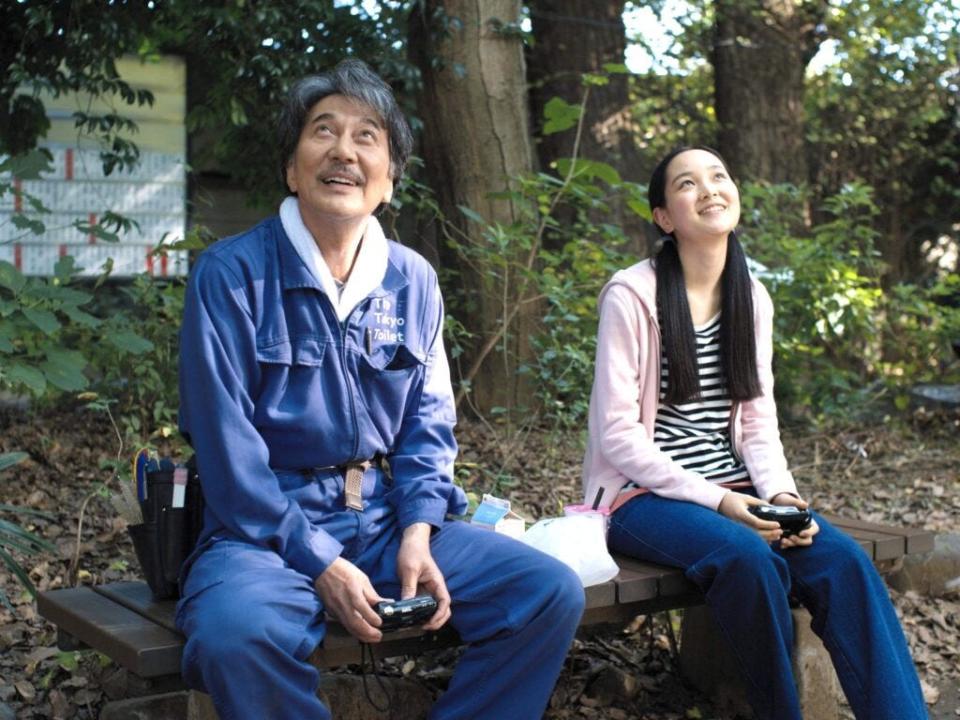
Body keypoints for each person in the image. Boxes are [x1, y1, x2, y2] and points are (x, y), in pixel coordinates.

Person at [176, 59, 584, 720]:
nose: (343, 150)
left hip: (384, 518)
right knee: (234, 636)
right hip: (263, 533)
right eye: (323, 131)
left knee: (547, 592)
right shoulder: (231, 275)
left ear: (390, 179)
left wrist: (419, 531)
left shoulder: (412, 280)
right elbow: (227, 457)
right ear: (291, 167)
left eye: (368, 136)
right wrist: (321, 564)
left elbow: (429, 424)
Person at [582, 145, 926, 720]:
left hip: (738, 487)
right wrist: (722, 502)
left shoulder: (752, 297)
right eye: (687, 184)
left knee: (841, 562)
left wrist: (784, 497)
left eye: (719, 176)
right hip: (641, 498)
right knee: (747, 558)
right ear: (665, 217)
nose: (710, 189)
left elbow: (759, 422)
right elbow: (618, 435)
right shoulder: (632, 296)